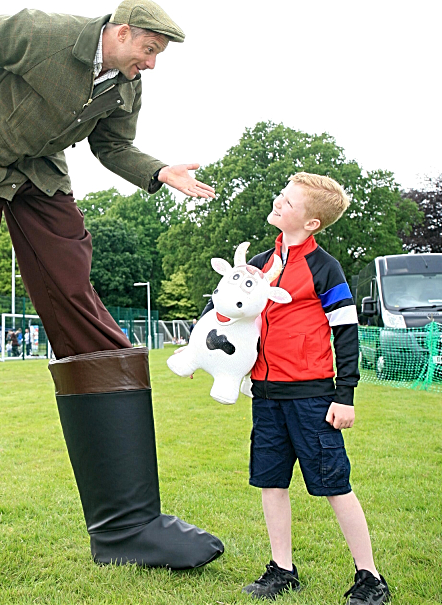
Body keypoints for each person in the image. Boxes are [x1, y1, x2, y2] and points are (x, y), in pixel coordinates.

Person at [0, 3, 223, 604]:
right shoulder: (48, 32)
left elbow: (112, 148)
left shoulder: (125, 87)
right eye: (150, 49)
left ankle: (128, 527)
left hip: (42, 180)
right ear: (121, 31)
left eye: (159, 54)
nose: (153, 62)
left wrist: (160, 171)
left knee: (80, 307)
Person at [201, 173, 389, 604]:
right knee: (272, 483)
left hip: (313, 397)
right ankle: (282, 570)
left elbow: (345, 333)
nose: (278, 202)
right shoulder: (259, 266)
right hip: (266, 396)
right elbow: (231, 316)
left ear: (311, 223)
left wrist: (346, 395)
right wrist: (208, 361)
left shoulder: (325, 268)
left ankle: (370, 577)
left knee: (335, 486)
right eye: (280, 195)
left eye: (288, 200)